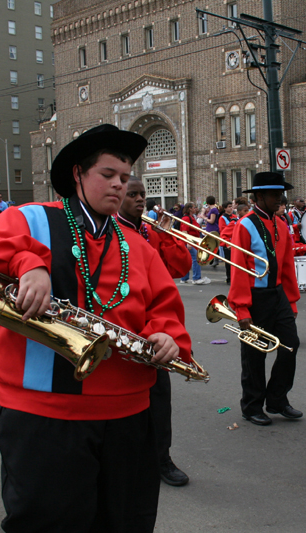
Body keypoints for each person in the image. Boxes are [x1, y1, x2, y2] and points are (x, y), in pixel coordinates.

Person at [0, 124, 192, 532]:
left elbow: (164, 307)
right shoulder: (30, 219)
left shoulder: (138, 244)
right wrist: (27, 263)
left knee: (127, 523)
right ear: (78, 173)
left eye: (124, 177)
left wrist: (168, 335)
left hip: (129, 418)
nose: (119, 185)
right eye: (108, 174)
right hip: (43, 419)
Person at [116, 178, 192, 488]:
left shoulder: (151, 232)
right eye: (132, 194)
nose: (139, 199)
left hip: (157, 325)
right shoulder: (112, 232)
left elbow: (181, 268)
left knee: (160, 398)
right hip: (126, 324)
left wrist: (169, 236)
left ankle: (162, 458)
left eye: (142, 194)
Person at [228, 172, 301, 426]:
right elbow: (238, 268)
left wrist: (291, 301)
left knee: (290, 345)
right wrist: (241, 308)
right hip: (255, 297)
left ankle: (277, 399)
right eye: (274, 194)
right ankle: (252, 406)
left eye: (280, 194)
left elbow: (287, 265)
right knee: (254, 355)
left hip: (278, 295)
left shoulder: (281, 224)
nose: (279, 199)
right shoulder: (245, 225)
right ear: (259, 196)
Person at [179, 202, 211, 285]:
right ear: (190, 208)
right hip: (189, 242)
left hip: (192, 241)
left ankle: (184, 278)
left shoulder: (191, 217)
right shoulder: (186, 218)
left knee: (188, 260)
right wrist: (188, 242)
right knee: (196, 258)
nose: (195, 208)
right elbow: (184, 231)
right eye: (194, 207)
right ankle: (196, 278)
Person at [218, 202, 238, 283]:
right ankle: (229, 277)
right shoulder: (222, 218)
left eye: (231, 206)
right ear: (225, 208)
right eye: (229, 206)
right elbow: (223, 230)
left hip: (234, 240)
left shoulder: (235, 216)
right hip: (228, 241)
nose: (231, 208)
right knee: (228, 261)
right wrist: (227, 243)